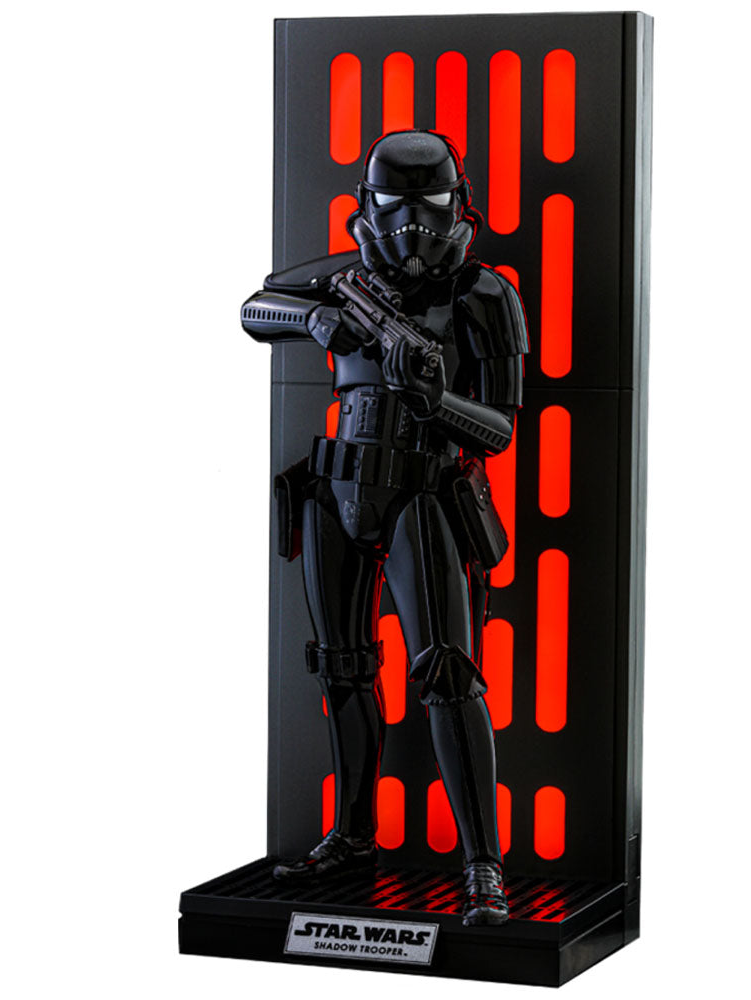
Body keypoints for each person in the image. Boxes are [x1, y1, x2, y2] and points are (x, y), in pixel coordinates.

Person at [241, 130, 528, 926]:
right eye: (395, 203)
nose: (411, 223)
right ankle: (352, 836)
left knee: (446, 673)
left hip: (422, 492)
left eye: (428, 203)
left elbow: (500, 430)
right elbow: (253, 309)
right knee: (342, 669)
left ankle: (482, 867)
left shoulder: (484, 295)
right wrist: (320, 322)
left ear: (458, 203)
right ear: (368, 206)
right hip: (335, 488)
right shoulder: (347, 280)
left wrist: (436, 400)